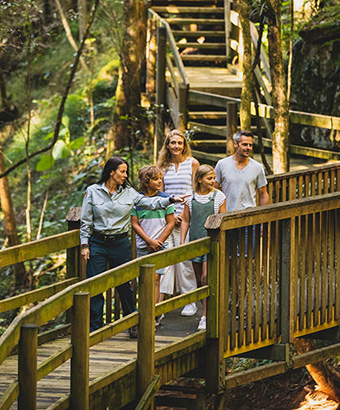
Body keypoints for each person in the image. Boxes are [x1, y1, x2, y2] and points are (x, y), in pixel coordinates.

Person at [80, 156, 188, 336]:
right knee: (95, 284)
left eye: (126, 172)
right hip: (98, 242)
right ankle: (94, 328)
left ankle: (132, 323)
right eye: (122, 171)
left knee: (124, 285)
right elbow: (85, 220)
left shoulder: (129, 192)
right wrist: (85, 245)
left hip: (120, 242)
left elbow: (151, 202)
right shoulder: (92, 191)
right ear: (111, 172)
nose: (125, 175)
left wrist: (171, 199)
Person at [157, 129, 200, 316]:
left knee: (185, 261)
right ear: (167, 145)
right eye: (172, 143)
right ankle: (161, 305)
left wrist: (186, 214)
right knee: (165, 261)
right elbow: (162, 195)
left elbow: (196, 191)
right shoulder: (163, 167)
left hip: (188, 218)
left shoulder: (192, 163)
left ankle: (190, 301)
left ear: (184, 145)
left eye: (179, 143)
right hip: (168, 219)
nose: (176, 146)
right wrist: (171, 216)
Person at [181, 165, 226, 330]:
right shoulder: (190, 198)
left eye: (213, 178)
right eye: (209, 178)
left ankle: (206, 316)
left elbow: (223, 219)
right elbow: (186, 220)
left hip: (211, 243)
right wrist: (182, 242)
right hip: (195, 242)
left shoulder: (219, 197)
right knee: (200, 281)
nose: (213, 181)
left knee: (207, 277)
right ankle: (206, 310)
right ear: (199, 179)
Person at [131, 165, 175, 327]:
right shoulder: (136, 200)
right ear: (145, 181)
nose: (159, 181)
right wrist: (149, 241)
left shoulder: (166, 198)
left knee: (156, 278)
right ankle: (145, 311)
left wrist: (159, 242)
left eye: (160, 178)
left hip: (160, 245)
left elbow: (170, 223)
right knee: (144, 279)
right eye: (155, 179)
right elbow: (135, 224)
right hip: (144, 245)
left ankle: (154, 313)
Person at [214, 130, 269, 211]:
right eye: (245, 144)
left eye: (250, 145)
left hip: (249, 215)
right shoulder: (222, 164)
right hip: (226, 214)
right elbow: (213, 189)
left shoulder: (257, 167)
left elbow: (263, 194)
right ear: (235, 144)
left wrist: (263, 218)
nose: (248, 148)